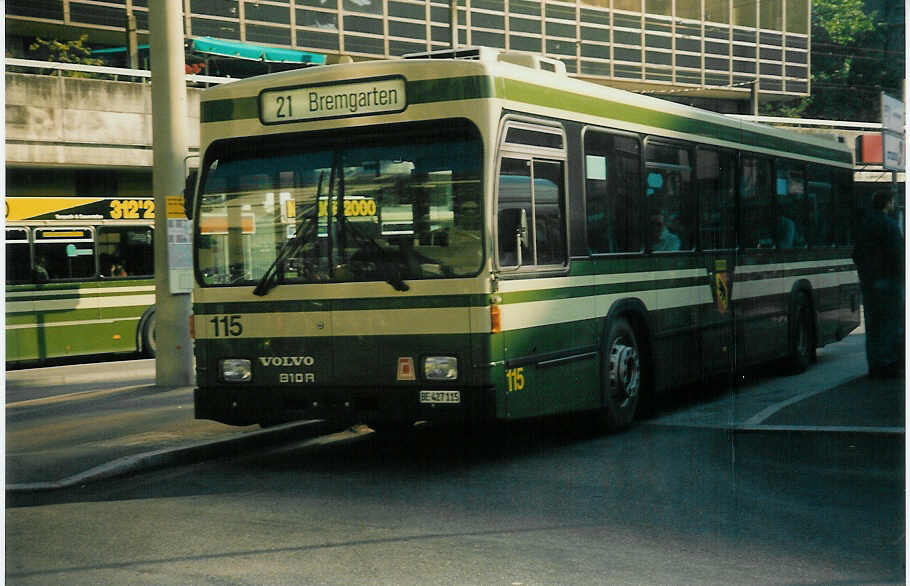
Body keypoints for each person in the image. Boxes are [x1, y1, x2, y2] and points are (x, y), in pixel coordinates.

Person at [852, 190, 905, 378]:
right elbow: (897, 254)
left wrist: (866, 276)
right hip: (889, 281)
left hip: (869, 283)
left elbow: (856, 253)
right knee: (891, 322)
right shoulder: (889, 225)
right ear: (887, 203)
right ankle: (888, 362)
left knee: (874, 325)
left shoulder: (864, 224)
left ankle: (875, 364)